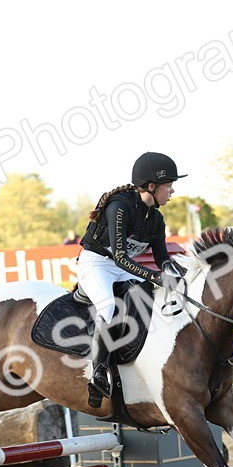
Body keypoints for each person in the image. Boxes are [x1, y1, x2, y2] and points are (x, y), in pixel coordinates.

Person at [77, 151, 185, 398]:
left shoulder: (156, 218)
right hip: (96, 264)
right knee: (107, 307)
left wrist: (180, 275)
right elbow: (121, 258)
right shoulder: (120, 207)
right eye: (168, 186)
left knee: (148, 297)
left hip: (121, 267)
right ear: (151, 186)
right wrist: (156, 277)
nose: (171, 192)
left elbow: (162, 259)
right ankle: (99, 373)